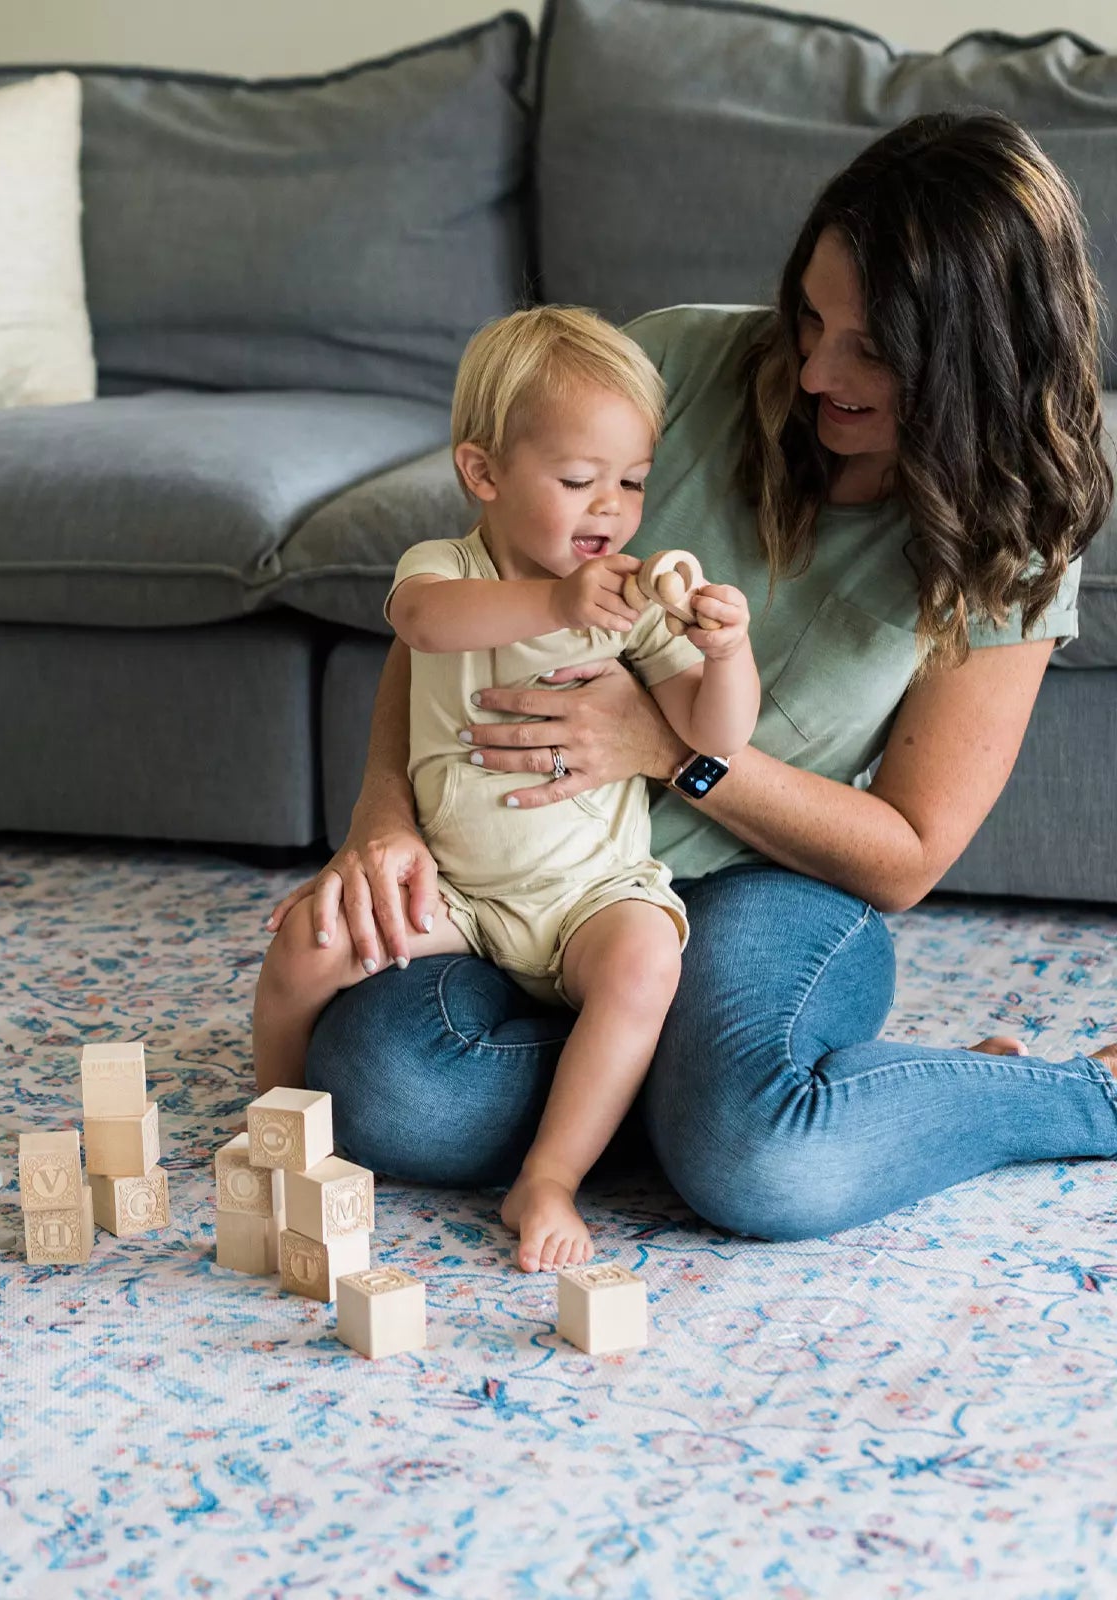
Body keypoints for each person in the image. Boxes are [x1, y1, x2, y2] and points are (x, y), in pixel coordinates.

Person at [266, 111, 1117, 1241]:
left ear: (972, 356)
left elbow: (907, 854)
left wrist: (668, 751)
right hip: (520, 871)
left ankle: (1068, 1091)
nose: (815, 369)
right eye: (810, 317)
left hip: (761, 886)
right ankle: (716, 1086)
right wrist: (382, 824)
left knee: (762, 1165)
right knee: (388, 1088)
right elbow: (451, 616)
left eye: (870, 348)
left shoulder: (1011, 538)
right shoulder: (664, 366)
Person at [252, 308, 760, 1271]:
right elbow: (424, 624)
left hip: (589, 894)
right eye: (577, 481)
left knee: (646, 965)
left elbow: (713, 735)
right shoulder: (446, 570)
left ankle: (551, 1177)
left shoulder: (630, 599)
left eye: (632, 483)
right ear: (483, 474)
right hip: (459, 892)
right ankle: (276, 1128)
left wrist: (725, 654)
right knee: (309, 942)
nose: (609, 509)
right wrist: (557, 602)